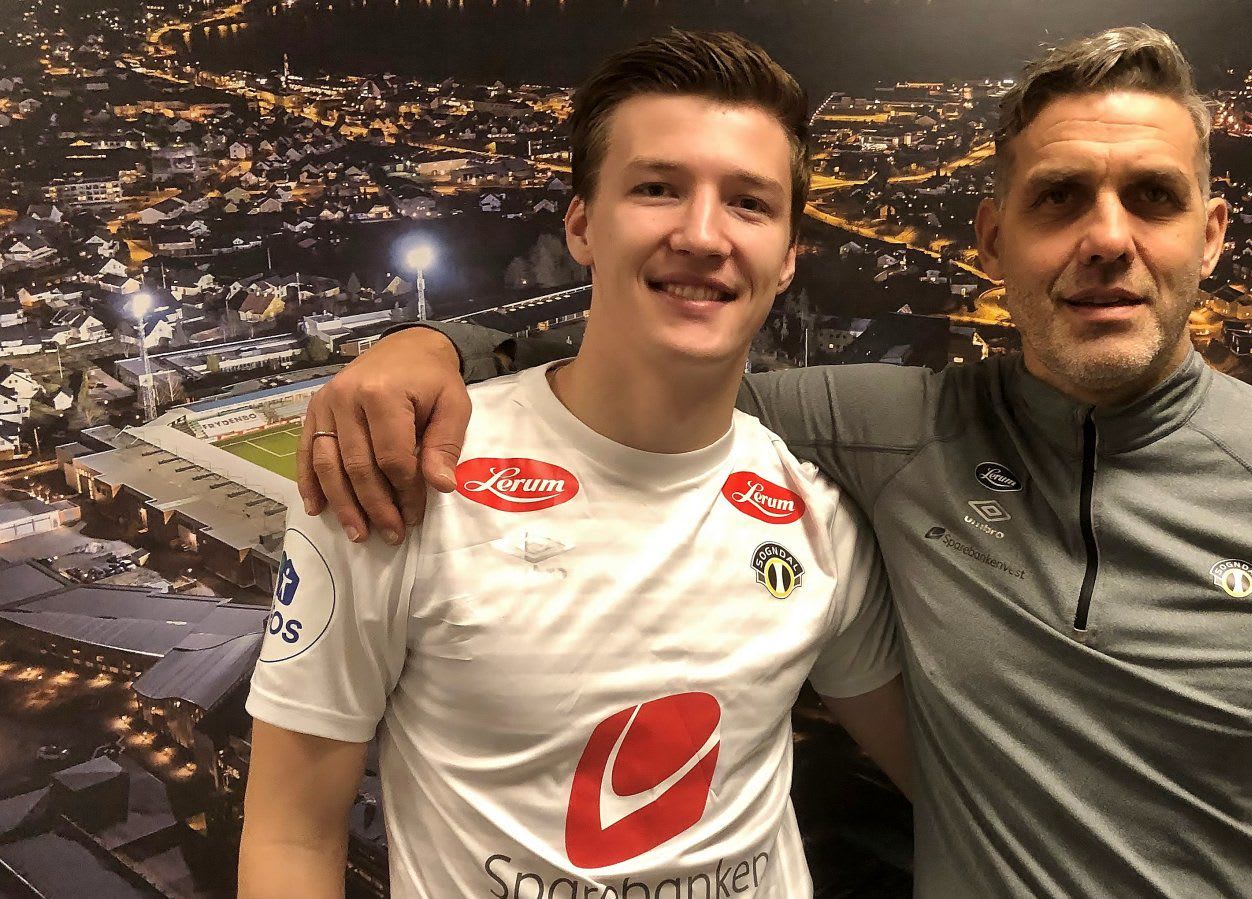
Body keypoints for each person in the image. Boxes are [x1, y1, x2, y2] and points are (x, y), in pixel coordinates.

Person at [298, 25, 1252, 897]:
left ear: (1209, 237)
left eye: (1150, 198)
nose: (1106, 239)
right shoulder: (890, 424)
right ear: (992, 240)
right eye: (1058, 198)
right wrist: (431, 344)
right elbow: (659, 369)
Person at [241, 31, 913, 899]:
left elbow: (950, 777)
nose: (702, 234)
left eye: (749, 203)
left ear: (787, 257)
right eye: (657, 188)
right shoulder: (403, 474)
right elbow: (292, 835)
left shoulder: (817, 514)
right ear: (583, 226)